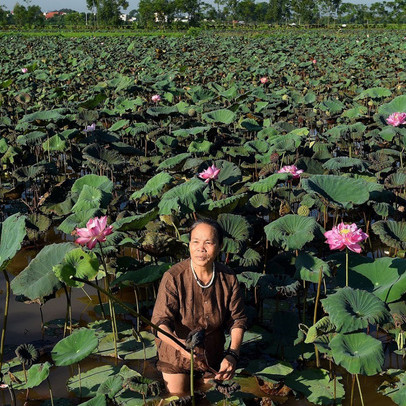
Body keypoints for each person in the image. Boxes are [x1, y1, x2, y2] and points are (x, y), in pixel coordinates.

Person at [151, 218, 247, 394]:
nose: (200, 248)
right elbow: (159, 323)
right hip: (177, 352)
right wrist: (183, 348)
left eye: (208, 243)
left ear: (219, 246)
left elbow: (237, 320)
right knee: (178, 397)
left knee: (211, 397)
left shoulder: (228, 277)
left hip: (212, 354)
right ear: (189, 245)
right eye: (195, 242)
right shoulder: (173, 277)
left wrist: (232, 354)